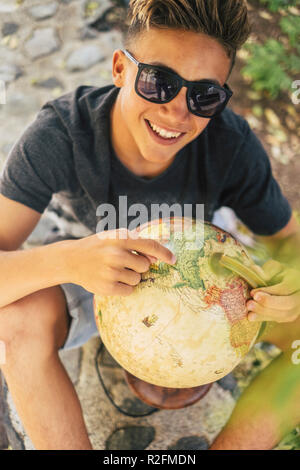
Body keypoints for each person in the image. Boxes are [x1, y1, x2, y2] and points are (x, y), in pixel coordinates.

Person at [0, 0, 299, 450]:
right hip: (93, 268)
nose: (177, 114)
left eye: (204, 96)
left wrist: (291, 285)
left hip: (207, 269)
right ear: (120, 68)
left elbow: (289, 243)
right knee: (18, 318)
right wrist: (69, 259)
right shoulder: (61, 133)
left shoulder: (231, 144)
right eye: (158, 82)